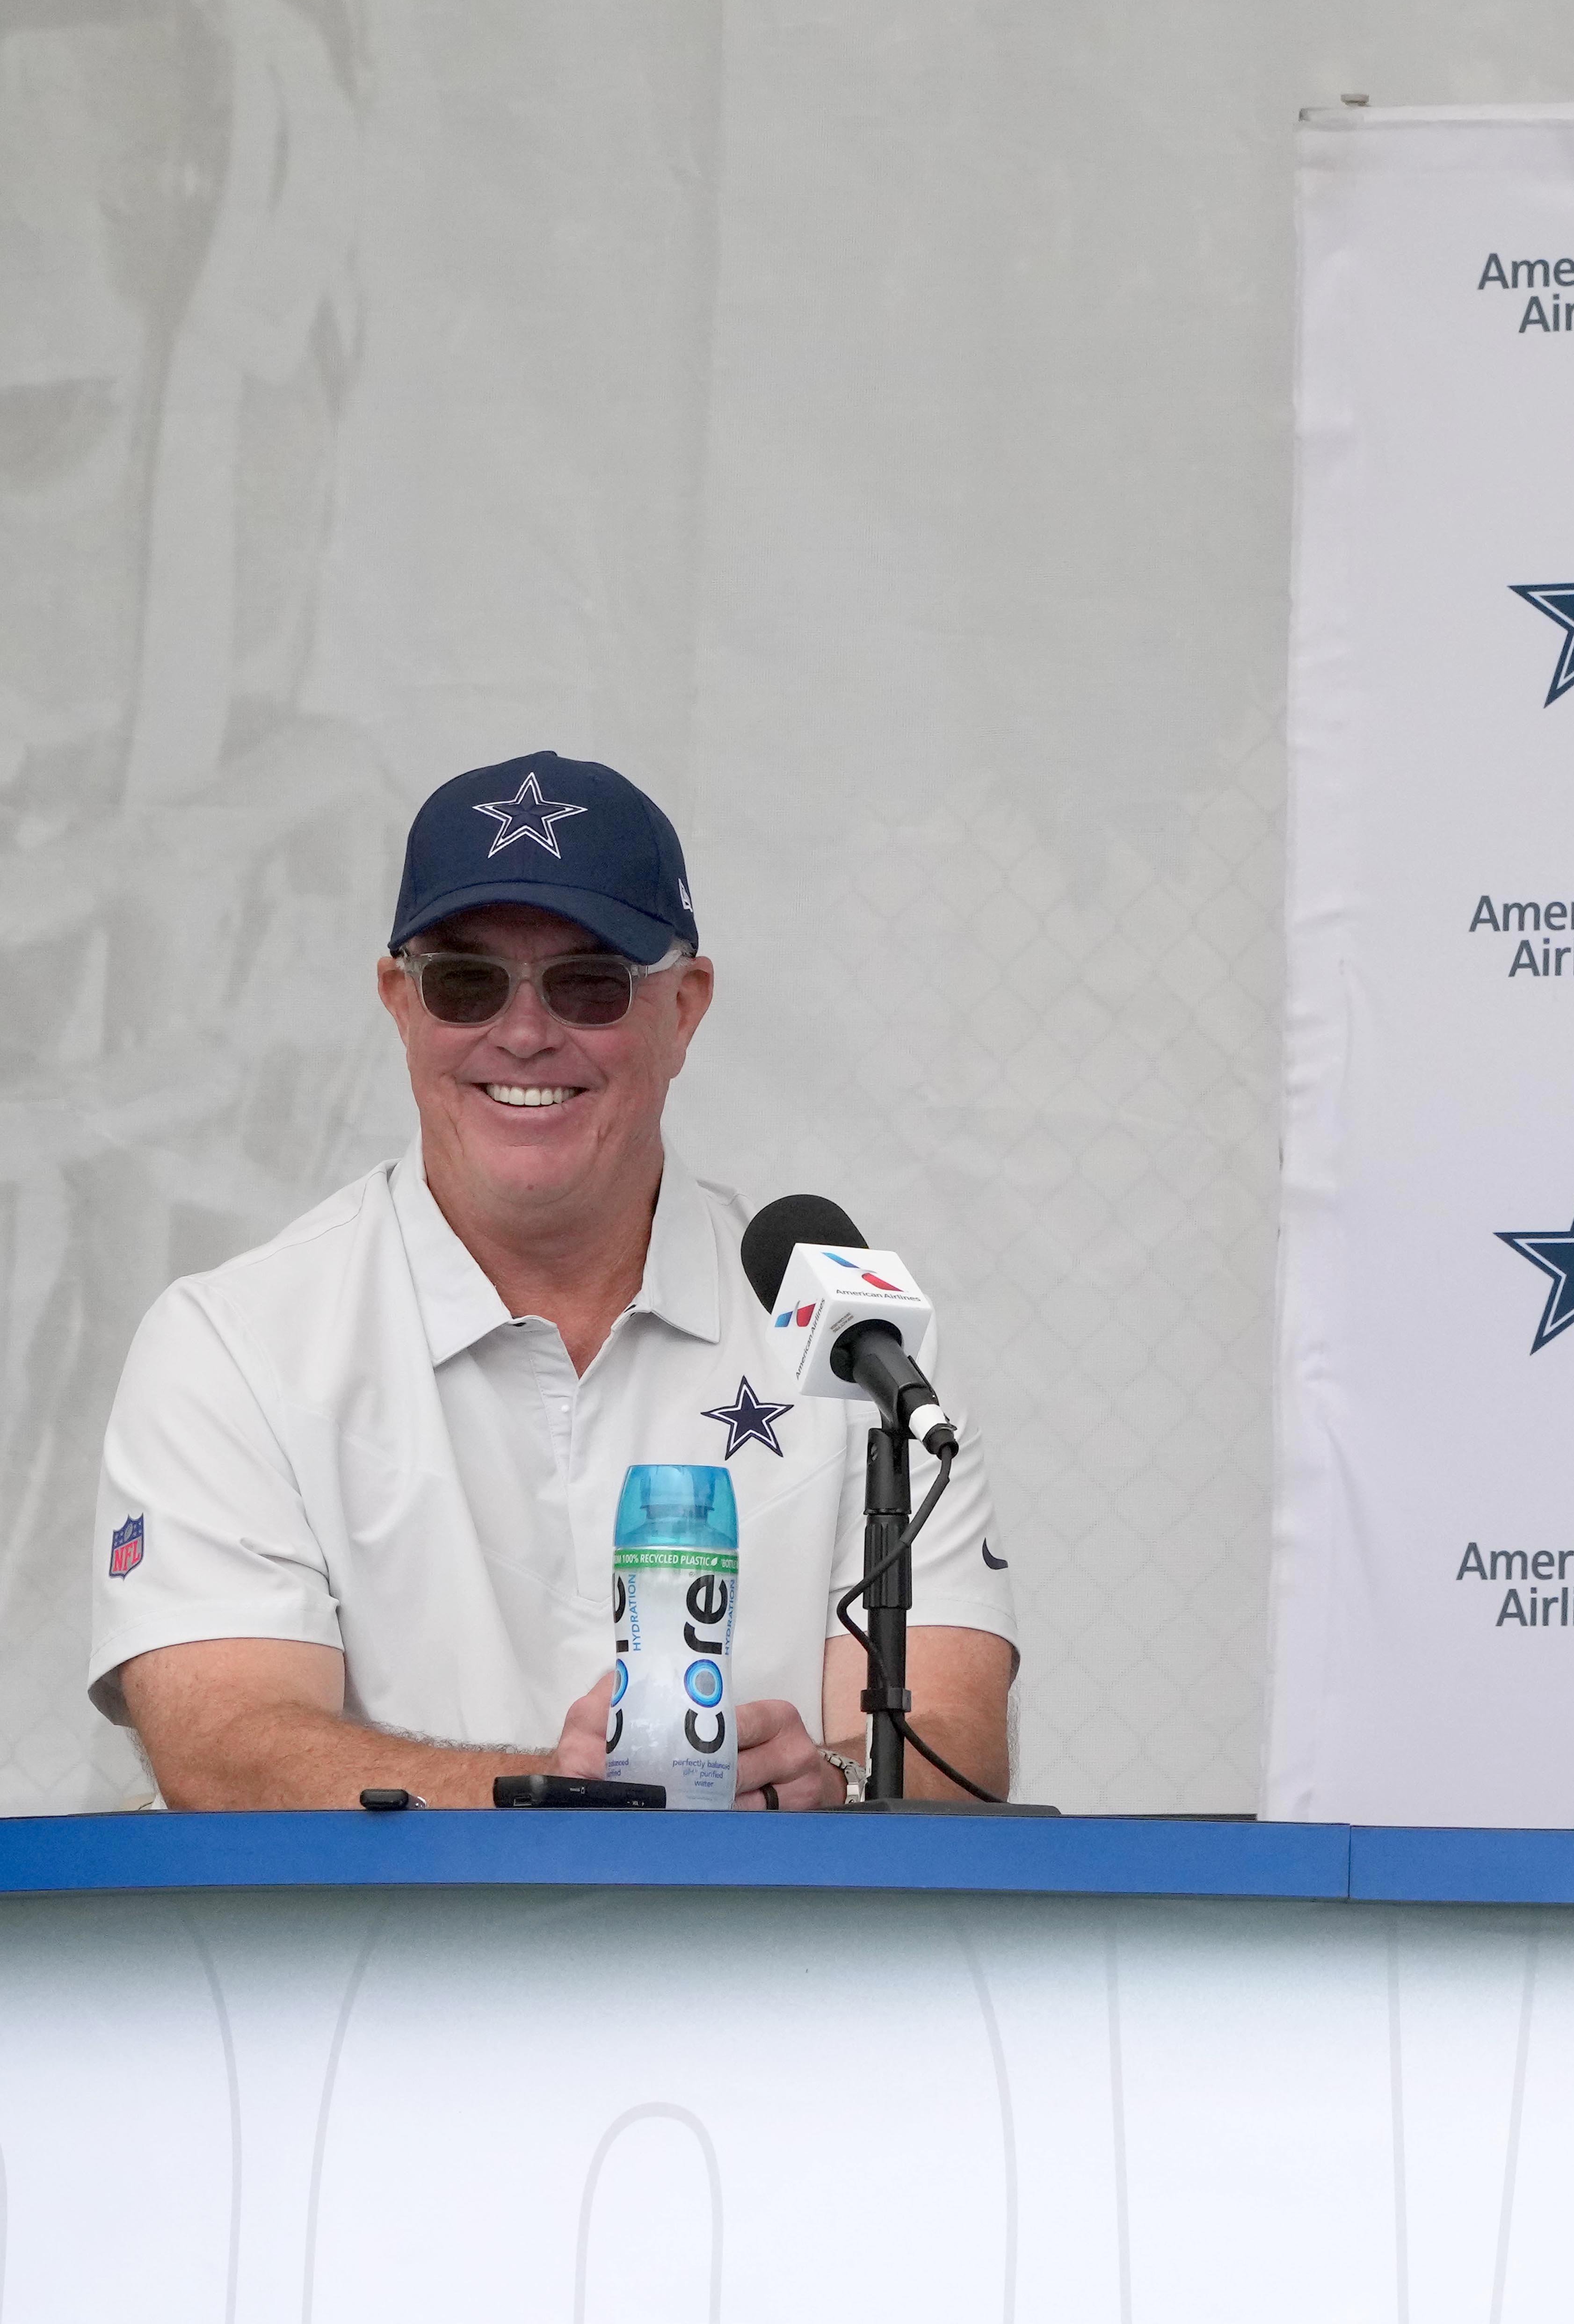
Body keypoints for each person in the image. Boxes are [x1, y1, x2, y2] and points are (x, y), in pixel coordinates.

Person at [87, 752, 1018, 1809]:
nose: (525, 1035)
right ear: (399, 1001)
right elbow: (225, 1752)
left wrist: (832, 1787)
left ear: (687, 1008)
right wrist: (569, 1799)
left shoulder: (862, 1342)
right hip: (371, 1976)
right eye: (467, 981)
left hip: (762, 1970)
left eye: (588, 983)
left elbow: (953, 1741)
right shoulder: (233, 1344)